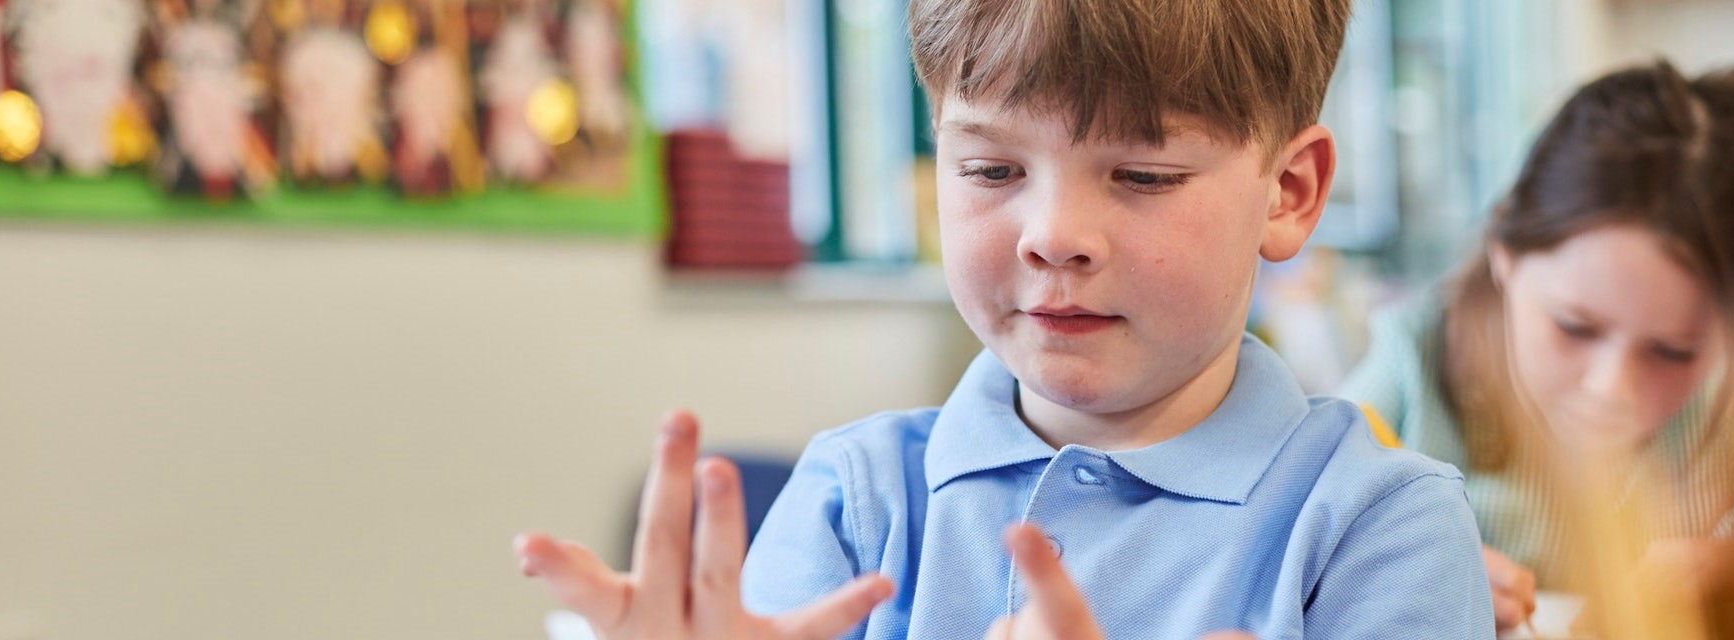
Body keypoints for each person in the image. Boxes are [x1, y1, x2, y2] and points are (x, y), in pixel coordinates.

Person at [516, 1, 1496, 637]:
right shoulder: (858, 501)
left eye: (1143, 175)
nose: (1054, 236)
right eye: (991, 169)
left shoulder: (1377, 524)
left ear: (1288, 190)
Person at [1337, 60, 1734, 633]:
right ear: (1503, 253)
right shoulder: (1417, 360)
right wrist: (1403, 565)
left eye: (1673, 351)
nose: (1611, 389)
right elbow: (1294, 521)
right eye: (1574, 328)